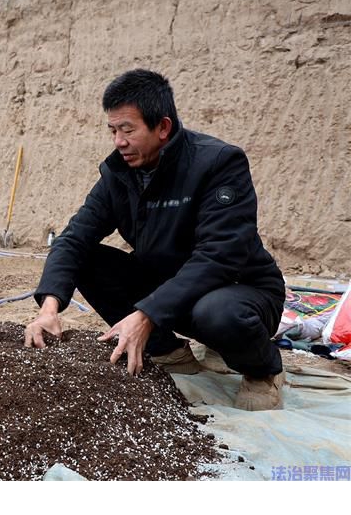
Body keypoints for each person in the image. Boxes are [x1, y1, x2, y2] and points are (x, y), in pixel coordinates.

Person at [24, 69, 286, 411]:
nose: (119, 141)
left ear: (162, 127)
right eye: (113, 130)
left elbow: (219, 257)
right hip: (171, 292)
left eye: (128, 130)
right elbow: (74, 239)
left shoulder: (218, 163)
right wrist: (49, 308)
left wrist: (146, 314)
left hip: (241, 292)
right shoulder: (119, 174)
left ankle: (264, 370)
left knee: (218, 313)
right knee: (87, 258)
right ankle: (168, 351)